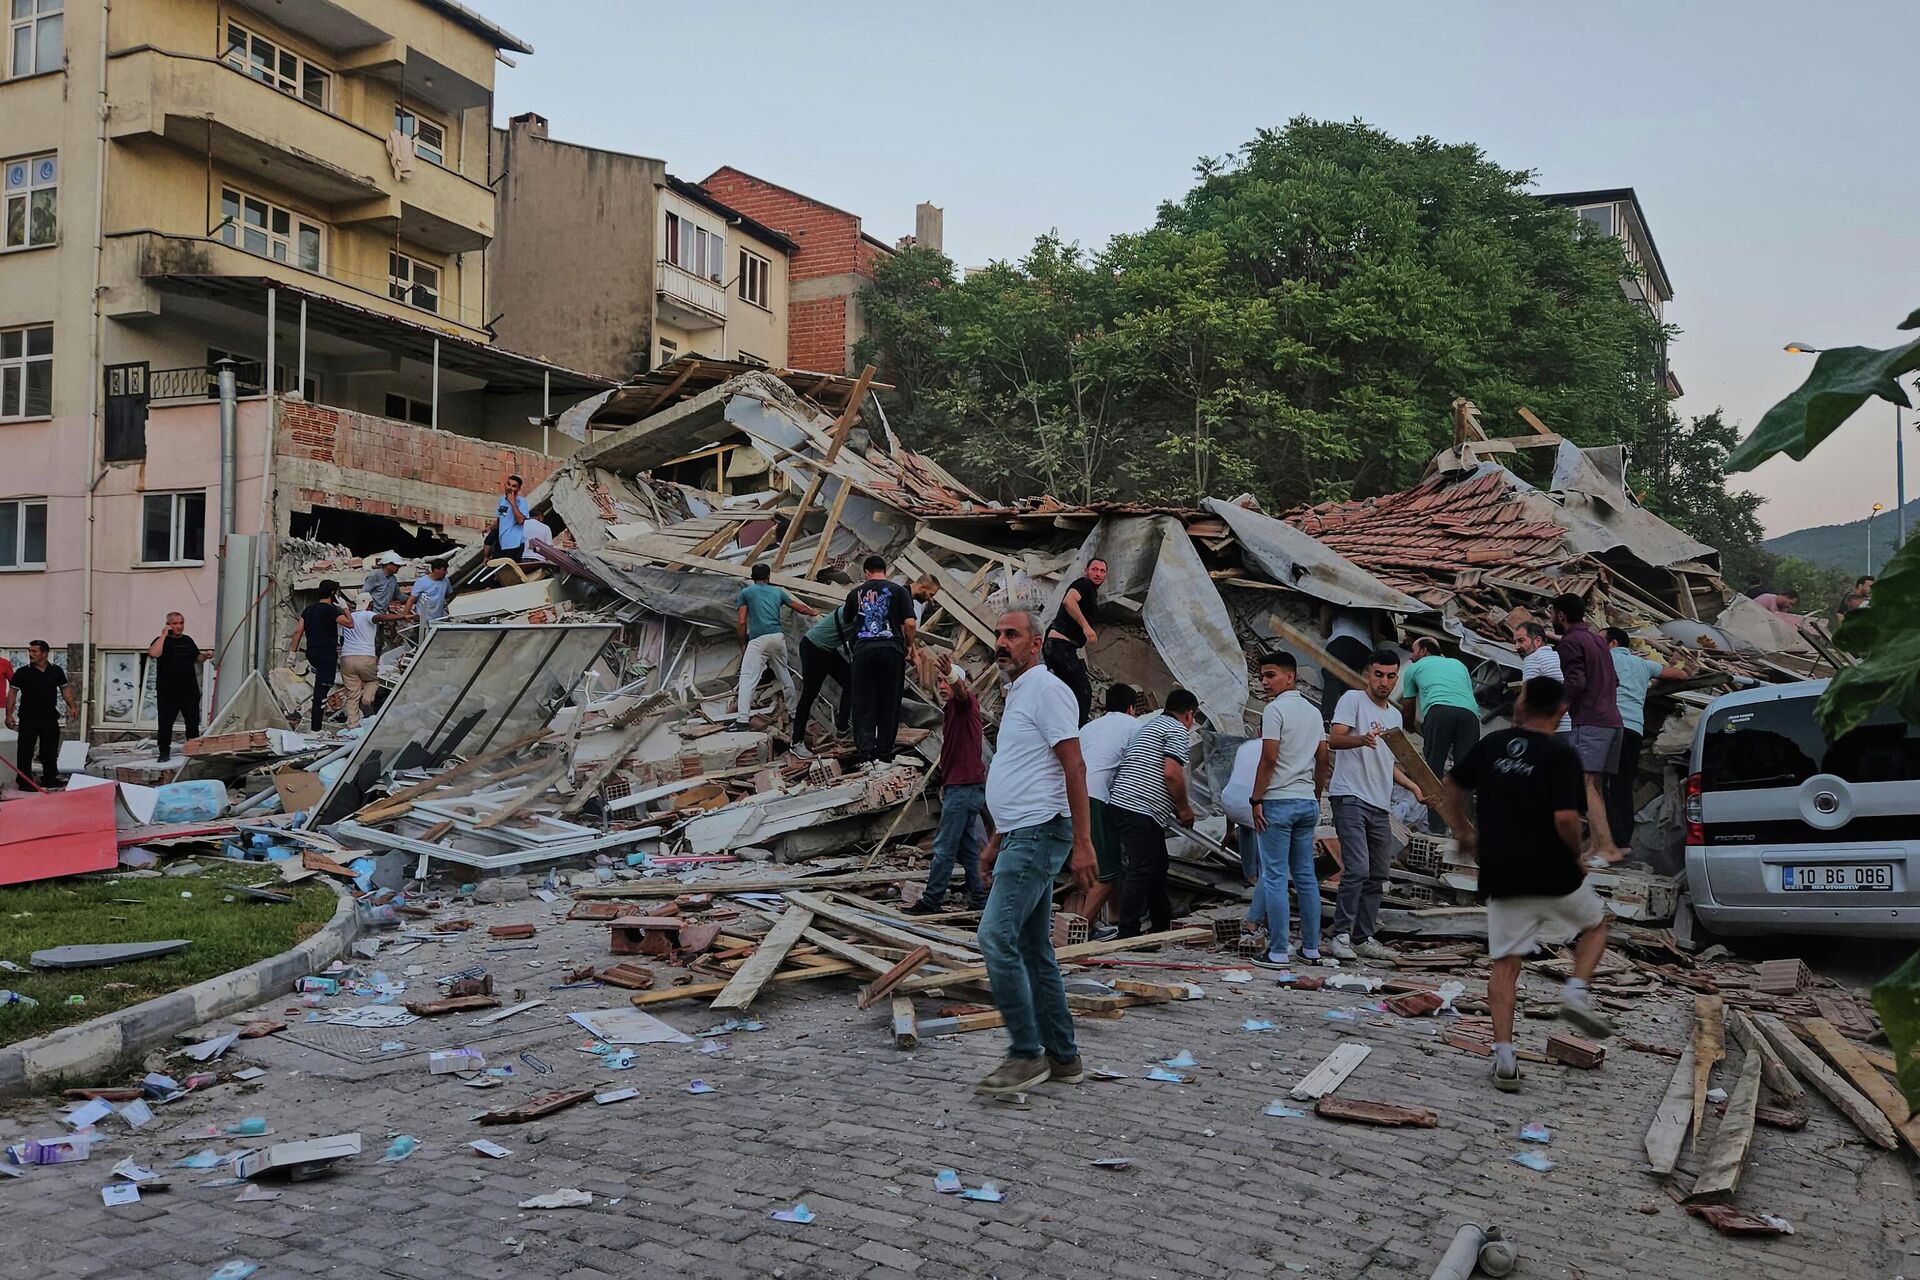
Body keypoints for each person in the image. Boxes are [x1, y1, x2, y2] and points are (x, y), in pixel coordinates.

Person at [1444, 676, 1615, 1092]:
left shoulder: (1491, 746)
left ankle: (1505, 1058)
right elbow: (1564, 818)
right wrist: (1576, 853)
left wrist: (1465, 834)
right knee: (1595, 928)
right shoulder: (1562, 754)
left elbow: (1450, 786)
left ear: (1521, 705)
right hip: (1555, 874)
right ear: (1562, 712)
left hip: (1503, 874)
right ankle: (1575, 993)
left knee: (1505, 967)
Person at [974, 609, 1096, 1096]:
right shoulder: (1020, 693)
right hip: (1019, 833)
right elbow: (1027, 774)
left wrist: (1084, 843)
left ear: (1036, 643)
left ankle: (1026, 1053)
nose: (1001, 642)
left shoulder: (1047, 690)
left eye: (1012, 635)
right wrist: (995, 840)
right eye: (998, 634)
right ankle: (1064, 1057)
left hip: (1040, 834)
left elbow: (1075, 767)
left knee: (994, 938)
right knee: (1033, 950)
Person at [1325, 649, 1425, 963]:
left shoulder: (1394, 716)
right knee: (1356, 868)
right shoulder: (1353, 700)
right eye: (1378, 674)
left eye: (1390, 676)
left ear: (1397, 678)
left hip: (1379, 803)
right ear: (1369, 674)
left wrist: (1413, 786)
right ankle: (1340, 935)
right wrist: (1361, 740)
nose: (1384, 682)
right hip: (1350, 796)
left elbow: (1388, 763)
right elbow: (1334, 739)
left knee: (1378, 872)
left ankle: (1362, 937)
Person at [1249, 652, 1330, 970]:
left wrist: (1256, 799)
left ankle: (1278, 950)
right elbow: (1323, 759)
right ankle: (1311, 948)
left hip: (1278, 802)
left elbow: (1268, 758)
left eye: (1270, 675)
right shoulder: (1314, 712)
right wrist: (1316, 794)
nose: (1265, 682)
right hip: (1306, 802)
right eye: (1263, 676)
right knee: (1307, 878)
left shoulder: (1274, 710)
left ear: (1290, 677)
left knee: (1275, 876)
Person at [1105, 689, 1200, 939]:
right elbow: (1171, 773)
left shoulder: (1151, 726)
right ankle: (1129, 932)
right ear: (1189, 715)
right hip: (1141, 807)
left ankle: (1161, 922)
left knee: (1158, 864)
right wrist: (1183, 808)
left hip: (1124, 803)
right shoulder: (1177, 730)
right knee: (1141, 869)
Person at [906, 664, 990, 915]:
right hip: (960, 786)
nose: (941, 686)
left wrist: (954, 677)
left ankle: (932, 900)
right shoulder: (951, 711)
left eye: (946, 681)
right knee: (967, 846)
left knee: (944, 846)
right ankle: (979, 899)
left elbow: (962, 692)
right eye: (939, 681)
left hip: (964, 788)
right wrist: (946, 784)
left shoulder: (966, 704)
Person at [1551, 593, 1624, 863]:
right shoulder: (1597, 640)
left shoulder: (1570, 642)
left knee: (1586, 786)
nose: (1551, 617)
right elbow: (1614, 680)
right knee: (1594, 785)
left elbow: (1576, 682)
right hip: (1613, 721)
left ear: (1560, 615)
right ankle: (1596, 847)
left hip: (1591, 722)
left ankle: (1607, 847)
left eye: (1552, 613)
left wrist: (1559, 711)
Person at [1068, 683, 1142, 940]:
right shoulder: (1134, 726)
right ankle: (1079, 929)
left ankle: (1114, 918)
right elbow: (1138, 768)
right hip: (1095, 796)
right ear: (1132, 708)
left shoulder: (1088, 727)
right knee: (1108, 871)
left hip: (1068, 794)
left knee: (1097, 863)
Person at [1604, 628, 1688, 854]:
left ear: (1611, 643)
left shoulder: (1602, 658)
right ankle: (1623, 842)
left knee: (1598, 785)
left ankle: (1604, 842)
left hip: (1608, 727)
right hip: (1633, 729)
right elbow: (1681, 675)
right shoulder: (1642, 665)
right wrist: (1649, 685)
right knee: (1622, 786)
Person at [1396, 637, 1479, 832]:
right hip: (1470, 715)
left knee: (1432, 771)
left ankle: (1437, 828)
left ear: (1424, 651)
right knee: (1465, 773)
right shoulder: (1458, 664)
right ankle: (1464, 831)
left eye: (1413, 650)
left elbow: (1407, 707)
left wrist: (1408, 726)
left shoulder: (1414, 668)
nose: (1411, 655)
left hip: (1439, 711)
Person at [843, 556, 916, 764]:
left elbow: (847, 619)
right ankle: (884, 753)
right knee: (889, 701)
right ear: (885, 571)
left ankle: (866, 753)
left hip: (863, 651)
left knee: (863, 701)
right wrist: (909, 645)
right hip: (891, 651)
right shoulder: (900, 591)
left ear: (866, 572)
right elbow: (910, 624)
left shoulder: (855, 593)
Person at [735, 563, 817, 725]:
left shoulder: (746, 593)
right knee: (784, 675)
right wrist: (814, 612)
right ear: (768, 577)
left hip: (758, 639)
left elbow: (742, 622)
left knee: (747, 679)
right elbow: (799, 608)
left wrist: (743, 642)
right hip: (778, 637)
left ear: (752, 577)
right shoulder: (777, 591)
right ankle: (794, 713)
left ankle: (742, 720)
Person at [1043, 557, 1106, 723]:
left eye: (1102, 571)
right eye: (1094, 569)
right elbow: (1069, 601)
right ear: (1086, 571)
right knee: (1082, 691)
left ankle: (1058, 725)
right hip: (1060, 647)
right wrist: (1086, 627)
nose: (1098, 573)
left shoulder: (1090, 590)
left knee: (1063, 692)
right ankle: (1078, 734)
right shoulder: (1084, 584)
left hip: (1056, 647)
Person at [7, 640, 77, 789]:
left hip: (49, 717)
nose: (30, 654)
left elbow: (64, 689)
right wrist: (9, 714)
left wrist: (72, 706)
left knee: (49, 750)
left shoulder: (56, 671)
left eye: (34, 651)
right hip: (28, 717)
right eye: (30, 651)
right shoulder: (23, 672)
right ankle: (24, 781)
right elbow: (12, 692)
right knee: (25, 750)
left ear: (44, 653)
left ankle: (50, 778)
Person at [793, 602, 855, 754]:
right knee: (809, 695)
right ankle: (796, 743)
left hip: (827, 649)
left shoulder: (863, 606)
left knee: (851, 682)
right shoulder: (860, 610)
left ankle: (842, 727)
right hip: (813, 647)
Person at [148, 612, 210, 763]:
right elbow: (154, 653)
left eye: (181, 623)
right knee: (165, 722)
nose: (179, 626)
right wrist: (163, 635)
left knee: (192, 721)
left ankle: (193, 750)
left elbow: (197, 658)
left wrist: (206, 656)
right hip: (168, 690)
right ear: (168, 624)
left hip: (189, 688)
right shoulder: (161, 641)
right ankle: (164, 752)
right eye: (175, 623)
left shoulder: (188, 640)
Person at [289, 580, 350, 732]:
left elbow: (298, 632)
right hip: (326, 654)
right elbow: (349, 623)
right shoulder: (332, 610)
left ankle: (316, 721)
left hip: (312, 653)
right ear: (333, 594)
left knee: (321, 685)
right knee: (321, 690)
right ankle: (316, 728)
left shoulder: (308, 610)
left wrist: (292, 653)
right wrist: (344, 607)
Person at [338, 593, 401, 728]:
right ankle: (366, 700)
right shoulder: (367, 615)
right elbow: (379, 617)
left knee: (352, 694)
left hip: (346, 658)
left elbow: (341, 639)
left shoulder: (348, 618)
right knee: (372, 681)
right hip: (365, 657)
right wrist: (402, 615)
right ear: (369, 604)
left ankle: (353, 725)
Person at [1513, 623, 1571, 735]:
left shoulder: (1533, 659)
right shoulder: (1559, 655)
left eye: (1521, 641)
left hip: (1552, 727)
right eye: (1515, 642)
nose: (1516, 647)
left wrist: (1516, 723)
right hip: (1571, 724)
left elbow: (1526, 695)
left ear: (1537, 641)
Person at [406, 561, 453, 628]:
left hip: (439, 619)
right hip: (423, 620)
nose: (446, 572)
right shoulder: (421, 582)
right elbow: (411, 600)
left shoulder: (446, 581)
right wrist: (405, 614)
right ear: (436, 570)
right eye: (444, 570)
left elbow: (451, 595)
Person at [495, 474, 527, 559]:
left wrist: (512, 502)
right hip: (502, 543)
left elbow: (521, 521)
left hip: (515, 544)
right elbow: (501, 518)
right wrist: (490, 527)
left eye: (514, 486)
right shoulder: (502, 500)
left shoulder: (521, 502)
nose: (510, 488)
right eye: (509, 484)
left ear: (518, 489)